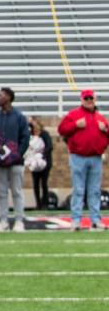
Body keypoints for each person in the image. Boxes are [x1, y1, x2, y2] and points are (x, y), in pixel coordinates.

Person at [58, 88, 109, 230]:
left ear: (94, 99)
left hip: (96, 157)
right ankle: (75, 220)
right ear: (81, 100)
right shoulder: (74, 115)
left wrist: (106, 129)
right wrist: (75, 125)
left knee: (94, 190)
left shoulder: (100, 117)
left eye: (90, 98)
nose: (88, 101)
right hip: (78, 157)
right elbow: (61, 129)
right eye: (86, 98)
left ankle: (95, 219)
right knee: (79, 190)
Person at [0, 86, 30, 231]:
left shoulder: (19, 117)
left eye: (0, 95)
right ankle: (3, 220)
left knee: (17, 191)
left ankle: (19, 220)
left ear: (8, 97)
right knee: (1, 192)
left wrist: (17, 155)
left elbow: (25, 138)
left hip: (16, 162)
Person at [26, 117, 53, 210]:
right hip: (34, 163)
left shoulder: (44, 134)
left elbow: (49, 146)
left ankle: (45, 202)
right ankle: (38, 204)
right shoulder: (30, 135)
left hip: (44, 162)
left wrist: (42, 155)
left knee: (44, 183)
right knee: (35, 183)